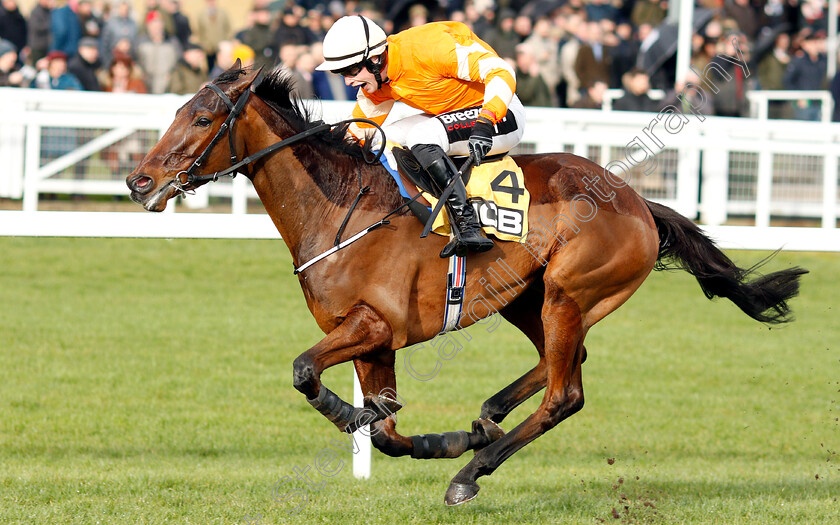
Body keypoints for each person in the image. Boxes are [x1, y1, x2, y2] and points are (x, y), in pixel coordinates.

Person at [316, 16, 523, 257]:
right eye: (340, 72)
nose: (348, 80)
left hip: (501, 115)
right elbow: (360, 131)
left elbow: (502, 70)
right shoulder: (379, 82)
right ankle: (421, 210)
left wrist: (487, 118)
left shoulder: (429, 48)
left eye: (351, 70)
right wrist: (320, 143)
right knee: (384, 139)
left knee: (421, 135)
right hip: (456, 118)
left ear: (375, 58)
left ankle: (467, 224)